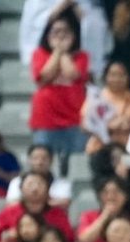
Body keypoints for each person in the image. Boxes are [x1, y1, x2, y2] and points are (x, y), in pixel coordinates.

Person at [30, 13, 90, 162]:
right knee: (42, 160)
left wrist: (63, 53)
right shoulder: (39, 54)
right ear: (48, 35)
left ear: (74, 35)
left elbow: (72, 74)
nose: (60, 36)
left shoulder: (82, 56)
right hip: (45, 118)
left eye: (65, 32)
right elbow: (44, 77)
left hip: (74, 117)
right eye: (56, 32)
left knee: (77, 161)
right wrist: (57, 52)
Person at [0, 172, 74, 242]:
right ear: (21, 189)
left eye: (39, 184)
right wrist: (9, 235)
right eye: (30, 184)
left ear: (48, 189)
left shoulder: (57, 213)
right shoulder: (10, 211)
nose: (35, 188)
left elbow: (69, 238)